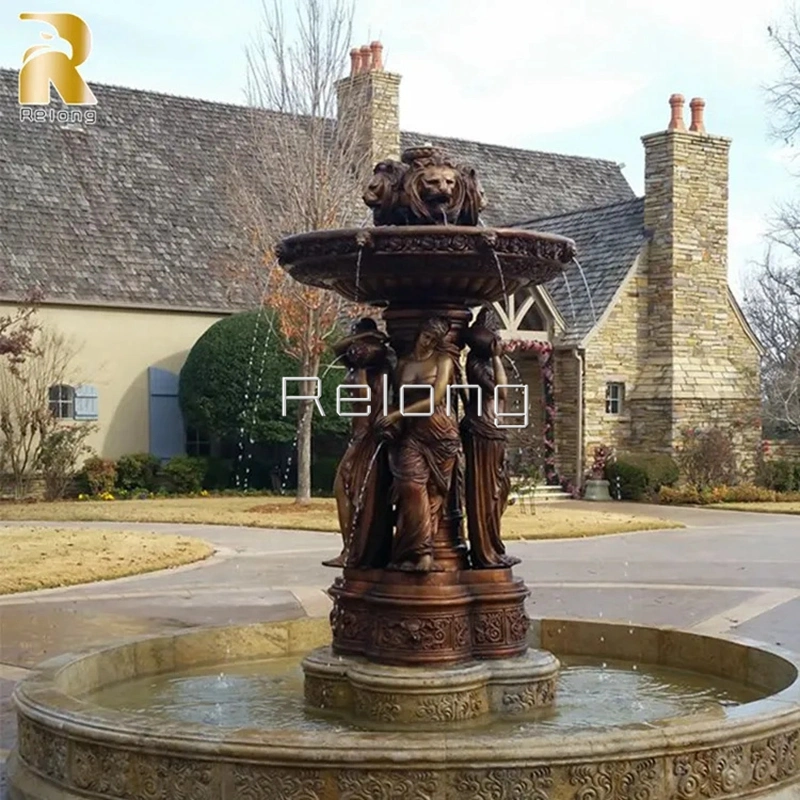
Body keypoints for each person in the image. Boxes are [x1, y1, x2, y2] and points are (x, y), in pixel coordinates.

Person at [377, 317, 462, 572]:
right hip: (411, 433)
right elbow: (393, 395)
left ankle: (424, 556)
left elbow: (436, 398)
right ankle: (413, 550)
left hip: (440, 432)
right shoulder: (403, 364)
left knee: (434, 494)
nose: (428, 343)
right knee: (411, 486)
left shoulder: (442, 361)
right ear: (419, 333)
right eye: (426, 336)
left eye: (434, 340)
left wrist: (397, 414)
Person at [323, 318, 394, 569]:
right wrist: (360, 342)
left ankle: (355, 549)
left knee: (347, 488)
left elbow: (365, 399)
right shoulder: (352, 360)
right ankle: (351, 548)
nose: (354, 345)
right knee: (348, 490)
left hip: (370, 436)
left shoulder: (381, 368)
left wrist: (362, 367)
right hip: (358, 435)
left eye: (357, 336)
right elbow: (335, 348)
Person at [461, 313, 520, 568]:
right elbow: (502, 391)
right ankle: (485, 551)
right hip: (483, 430)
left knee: (501, 488)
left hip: (493, 430)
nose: (498, 337)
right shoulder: (477, 362)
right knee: (485, 491)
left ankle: (494, 545)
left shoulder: (483, 361)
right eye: (492, 334)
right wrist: (497, 358)